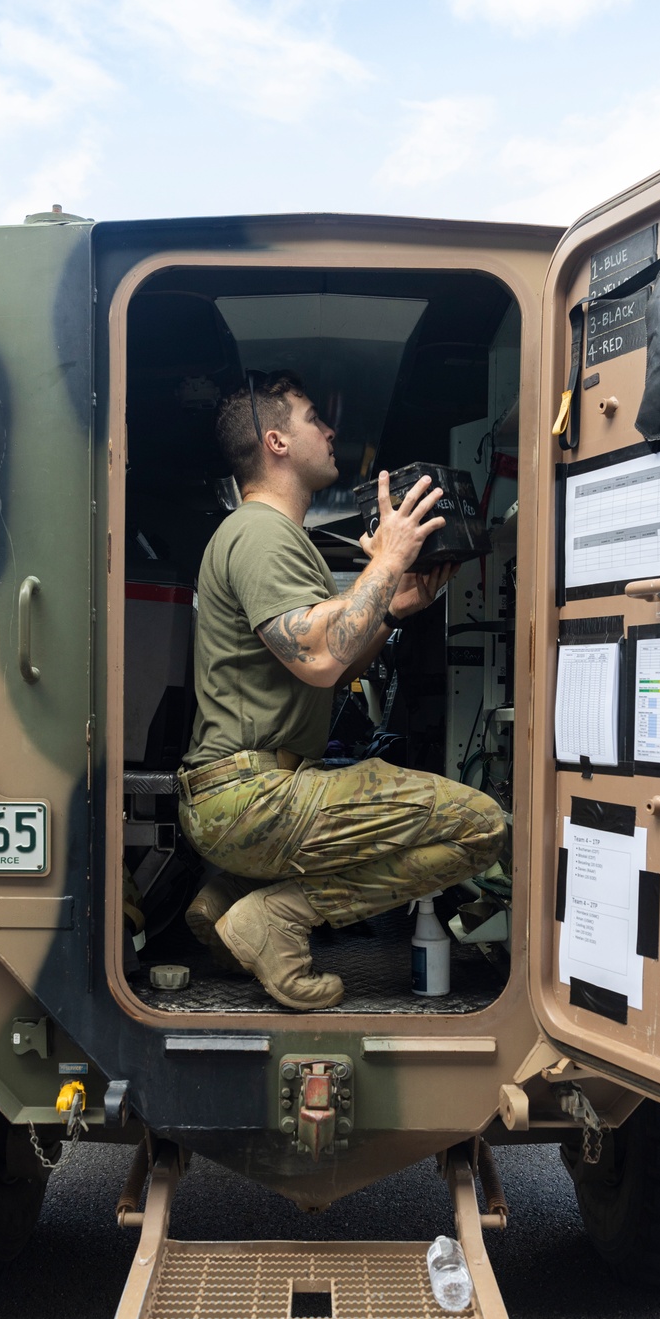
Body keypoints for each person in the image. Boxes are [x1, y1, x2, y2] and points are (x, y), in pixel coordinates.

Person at [177, 371, 505, 1010]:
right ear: (276, 441)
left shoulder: (278, 537)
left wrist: (392, 605)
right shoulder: (259, 533)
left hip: (243, 794)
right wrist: (385, 561)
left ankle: (228, 899)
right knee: (481, 827)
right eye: (311, 419)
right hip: (253, 798)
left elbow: (338, 647)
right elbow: (322, 658)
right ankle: (275, 916)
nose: (330, 432)